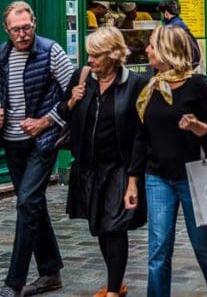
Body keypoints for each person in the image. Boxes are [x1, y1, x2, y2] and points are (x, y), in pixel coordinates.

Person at [127, 25, 207, 297]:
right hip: (157, 177)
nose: (147, 50)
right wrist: (132, 181)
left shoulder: (196, 84)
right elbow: (141, 137)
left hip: (195, 176)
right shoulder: (150, 87)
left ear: (167, 50)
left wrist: (198, 126)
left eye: (152, 45)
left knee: (203, 245)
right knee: (158, 249)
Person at [0, 1, 74, 297]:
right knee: (32, 204)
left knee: (26, 203)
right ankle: (50, 273)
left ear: (34, 24)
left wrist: (45, 122)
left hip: (42, 142)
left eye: (27, 27)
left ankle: (14, 282)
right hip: (12, 143)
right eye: (16, 29)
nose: (23, 34)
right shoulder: (1, 54)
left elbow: (75, 94)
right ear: (7, 30)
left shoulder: (52, 52)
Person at [60, 26, 148, 297]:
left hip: (119, 167)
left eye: (96, 55)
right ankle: (116, 283)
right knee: (99, 225)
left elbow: (140, 135)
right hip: (89, 166)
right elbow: (63, 113)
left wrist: (133, 179)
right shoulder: (83, 78)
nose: (90, 61)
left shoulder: (135, 84)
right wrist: (72, 103)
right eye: (89, 55)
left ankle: (112, 289)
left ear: (113, 54)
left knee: (114, 226)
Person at [158, 0, 202, 67]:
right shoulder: (183, 26)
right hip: (186, 67)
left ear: (166, 13)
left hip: (176, 68)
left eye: (162, 13)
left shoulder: (169, 29)